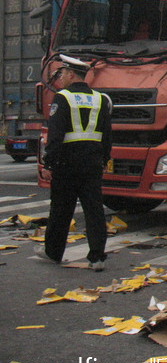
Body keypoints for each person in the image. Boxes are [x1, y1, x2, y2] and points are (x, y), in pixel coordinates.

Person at [38, 55, 113, 270]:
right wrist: (104, 159)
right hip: (92, 163)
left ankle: (53, 253)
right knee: (94, 210)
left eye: (61, 73)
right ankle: (97, 257)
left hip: (66, 163)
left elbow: (55, 135)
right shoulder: (101, 99)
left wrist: (48, 163)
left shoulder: (62, 98)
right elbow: (107, 135)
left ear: (71, 75)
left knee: (61, 209)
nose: (59, 78)